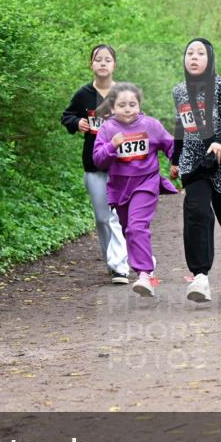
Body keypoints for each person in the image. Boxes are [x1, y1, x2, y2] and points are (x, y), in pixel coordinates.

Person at [169, 38, 221, 303]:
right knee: (196, 212)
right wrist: (175, 159)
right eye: (190, 53)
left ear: (210, 59)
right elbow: (181, 125)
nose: (194, 57)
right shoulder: (179, 91)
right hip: (193, 163)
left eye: (200, 53)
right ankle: (200, 277)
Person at [92, 83, 178, 297]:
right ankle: (146, 262)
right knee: (128, 230)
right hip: (120, 188)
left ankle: (144, 274)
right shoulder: (107, 129)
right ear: (112, 108)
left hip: (146, 183)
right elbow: (98, 161)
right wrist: (112, 146)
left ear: (139, 105)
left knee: (136, 227)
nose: (128, 109)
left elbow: (170, 145)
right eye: (122, 105)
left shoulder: (151, 125)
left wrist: (175, 162)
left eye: (132, 104)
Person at [61, 44, 130, 284]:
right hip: (94, 164)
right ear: (91, 64)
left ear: (114, 65)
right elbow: (67, 116)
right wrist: (77, 122)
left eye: (107, 59)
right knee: (102, 218)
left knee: (118, 216)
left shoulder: (123, 93)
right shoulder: (83, 94)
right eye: (98, 59)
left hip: (122, 165)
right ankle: (112, 260)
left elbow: (138, 119)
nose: (103, 63)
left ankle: (120, 266)